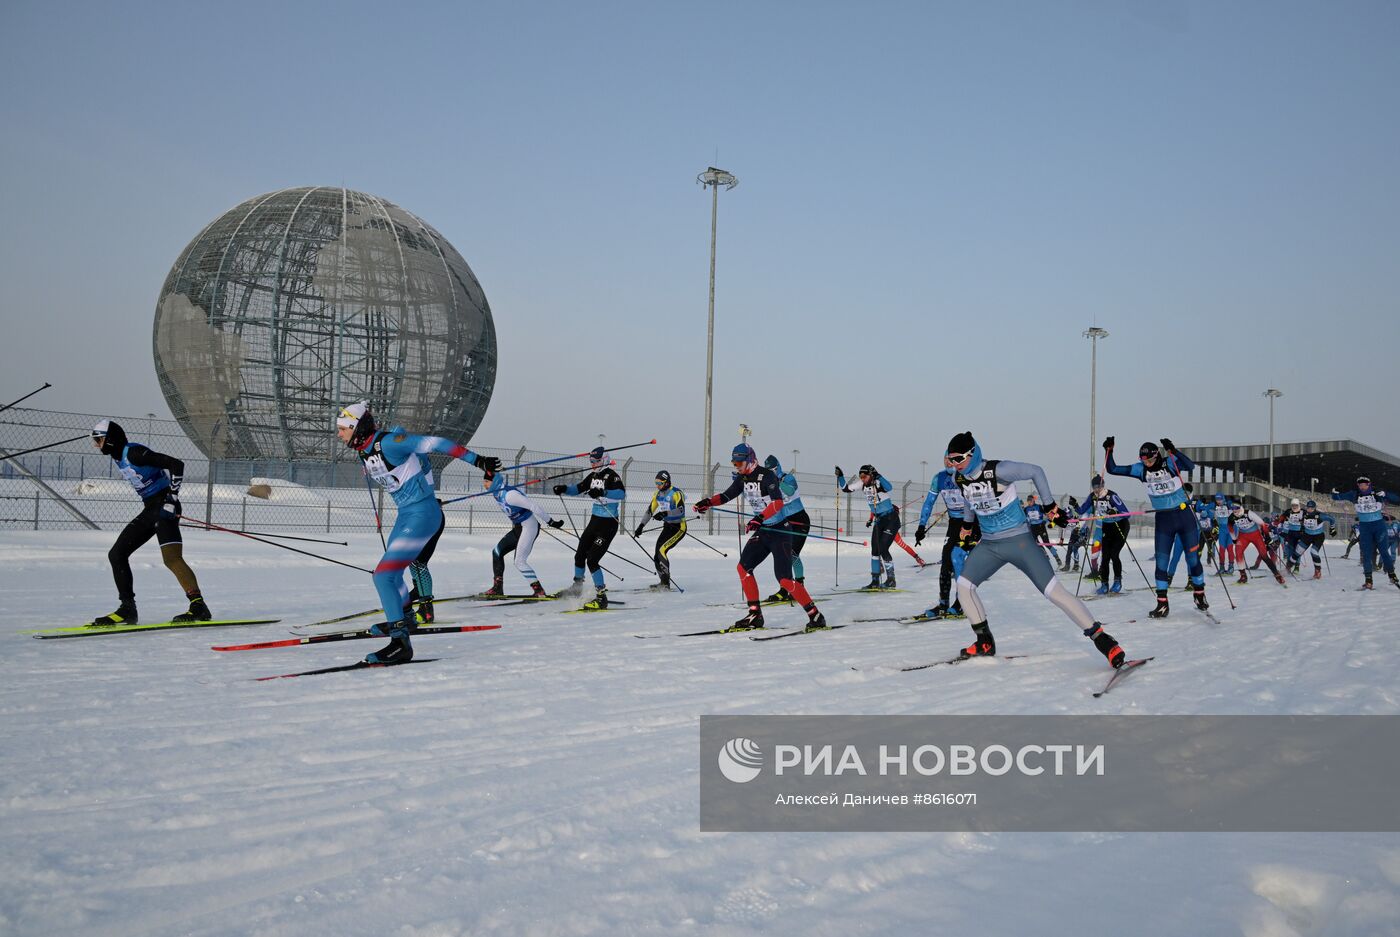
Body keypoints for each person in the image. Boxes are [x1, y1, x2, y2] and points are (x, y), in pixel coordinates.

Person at [943, 431, 1126, 668]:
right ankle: (984, 641)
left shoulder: (999, 470)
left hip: (1019, 542)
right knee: (964, 587)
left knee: (1053, 592)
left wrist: (1050, 506)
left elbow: (1035, 471)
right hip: (989, 545)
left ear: (973, 454)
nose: (955, 465)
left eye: (959, 459)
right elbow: (969, 499)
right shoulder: (961, 479)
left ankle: (1104, 641)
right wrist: (967, 526)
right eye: (951, 460)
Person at [336, 401, 500, 663]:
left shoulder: (389, 442)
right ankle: (405, 620)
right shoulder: (363, 449)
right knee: (394, 575)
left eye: (343, 428)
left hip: (423, 514)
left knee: (383, 576)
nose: (339, 434)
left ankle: (400, 644)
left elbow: (437, 443)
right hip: (405, 515)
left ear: (357, 427)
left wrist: (477, 460)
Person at [693, 444, 827, 631]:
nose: (736, 467)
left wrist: (759, 517)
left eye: (739, 462)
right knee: (743, 567)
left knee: (785, 580)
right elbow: (726, 495)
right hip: (764, 530)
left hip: (780, 531)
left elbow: (778, 503)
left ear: (750, 459)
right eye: (734, 463)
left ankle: (816, 615)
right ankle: (755, 614)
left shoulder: (767, 476)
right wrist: (708, 502)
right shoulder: (743, 478)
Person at [89, 419, 210, 625]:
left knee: (171, 559)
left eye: (99, 440)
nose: (96, 445)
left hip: (165, 508)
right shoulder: (118, 457)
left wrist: (172, 498)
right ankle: (127, 609)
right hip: (150, 510)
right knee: (117, 554)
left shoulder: (134, 453)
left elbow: (176, 464)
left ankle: (198, 606)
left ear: (110, 440)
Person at [1104, 436, 1208, 618]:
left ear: (1157, 455)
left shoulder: (1170, 463)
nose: (1148, 464)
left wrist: (1174, 451)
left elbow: (1190, 466)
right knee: (1161, 563)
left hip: (1184, 516)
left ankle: (1199, 594)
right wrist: (1109, 450)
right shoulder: (1140, 469)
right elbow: (1112, 469)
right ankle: (1162, 604)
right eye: (1144, 461)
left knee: (1192, 560)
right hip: (1164, 520)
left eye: (1151, 460)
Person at [554, 447, 625, 608]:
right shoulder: (593, 476)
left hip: (608, 523)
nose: (593, 464)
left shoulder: (612, 476)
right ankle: (577, 588)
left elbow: (621, 494)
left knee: (592, 559)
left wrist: (603, 492)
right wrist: (564, 489)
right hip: (595, 521)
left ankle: (601, 597)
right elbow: (578, 488)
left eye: (596, 461)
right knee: (579, 555)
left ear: (605, 459)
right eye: (591, 461)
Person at [483, 469, 564, 598]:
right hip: (518, 528)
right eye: (484, 481)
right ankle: (497, 588)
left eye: (487, 481)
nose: (484, 484)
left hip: (529, 527)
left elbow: (534, 506)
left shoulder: (510, 495)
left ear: (495, 482)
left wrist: (551, 521)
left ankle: (539, 591)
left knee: (519, 561)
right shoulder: (497, 493)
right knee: (497, 552)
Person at [916, 455, 979, 619]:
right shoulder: (939, 478)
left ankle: (962, 603)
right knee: (946, 562)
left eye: (952, 459)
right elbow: (929, 502)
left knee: (957, 559)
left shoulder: (967, 475)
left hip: (971, 523)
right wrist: (921, 526)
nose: (948, 461)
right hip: (954, 524)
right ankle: (943, 603)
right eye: (946, 458)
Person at [1330, 477, 1400, 589]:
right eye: (1360, 484)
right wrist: (1334, 492)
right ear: (1358, 485)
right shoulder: (1354, 494)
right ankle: (1368, 580)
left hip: (1379, 526)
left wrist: (1386, 494)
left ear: (1369, 484)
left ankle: (1392, 575)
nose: (1362, 486)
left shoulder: (1377, 493)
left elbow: (1397, 498)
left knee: (1384, 551)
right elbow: (1336, 497)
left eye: (1365, 484)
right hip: (1365, 527)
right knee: (1366, 553)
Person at [838, 463, 899, 589]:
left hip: (891, 519)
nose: (862, 479)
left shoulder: (878, 482)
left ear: (871, 475)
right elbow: (845, 488)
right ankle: (875, 581)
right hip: (879, 520)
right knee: (874, 551)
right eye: (861, 476)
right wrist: (840, 476)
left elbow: (889, 487)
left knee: (883, 548)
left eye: (864, 476)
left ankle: (891, 580)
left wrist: (879, 476)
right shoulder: (862, 484)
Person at [761, 455, 810, 602]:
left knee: (792, 554)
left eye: (774, 469)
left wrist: (777, 481)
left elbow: (789, 491)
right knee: (783, 555)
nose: (773, 472)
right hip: (785, 522)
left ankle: (799, 587)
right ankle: (785, 590)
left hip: (800, 519)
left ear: (778, 467)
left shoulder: (787, 478)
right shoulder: (769, 483)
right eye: (769, 471)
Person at [635, 469, 686, 590]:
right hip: (667, 527)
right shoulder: (657, 494)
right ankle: (662, 581)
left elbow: (681, 511)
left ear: (667, 482)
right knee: (656, 555)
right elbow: (650, 511)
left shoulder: (676, 493)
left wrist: (664, 514)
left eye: (660, 483)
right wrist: (641, 526)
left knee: (662, 551)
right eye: (656, 483)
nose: (658, 486)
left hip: (678, 527)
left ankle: (666, 584)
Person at [1078, 474, 1130, 594]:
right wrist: (1075, 504)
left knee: (1114, 554)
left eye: (1099, 486)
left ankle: (1117, 581)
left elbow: (1127, 513)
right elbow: (1082, 510)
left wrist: (1114, 511)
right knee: (1105, 557)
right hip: (1107, 526)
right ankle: (1104, 584)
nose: (1096, 489)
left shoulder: (1111, 496)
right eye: (1094, 487)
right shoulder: (1092, 497)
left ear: (1103, 485)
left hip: (1119, 526)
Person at [1228, 503, 1286, 585]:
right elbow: (1230, 527)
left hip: (1255, 535)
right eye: (1233, 509)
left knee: (1263, 555)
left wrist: (1267, 538)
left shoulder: (1249, 513)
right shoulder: (1231, 517)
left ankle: (1277, 574)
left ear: (1240, 508)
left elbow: (1262, 524)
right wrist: (1234, 539)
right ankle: (1243, 576)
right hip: (1243, 536)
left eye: (1236, 508)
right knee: (1238, 552)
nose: (1235, 511)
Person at [1296, 500, 1337, 579]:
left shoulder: (1319, 515)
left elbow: (1332, 518)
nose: (1310, 509)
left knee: (1313, 552)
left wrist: (1332, 529)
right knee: (1298, 551)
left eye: (1312, 508)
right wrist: (1301, 529)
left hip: (1318, 536)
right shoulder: (1304, 514)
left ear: (1314, 508)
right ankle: (1289, 568)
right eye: (1308, 507)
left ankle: (1318, 572)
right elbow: (1301, 522)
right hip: (1307, 536)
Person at [1023, 494, 1061, 565]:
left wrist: (1046, 521)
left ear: (1033, 500)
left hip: (1041, 527)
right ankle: (1045, 555)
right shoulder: (1026, 509)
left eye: (1030, 501)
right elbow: (1024, 518)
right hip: (1033, 528)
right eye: (1028, 501)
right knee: (1035, 543)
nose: (1029, 503)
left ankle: (1057, 558)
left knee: (1047, 543)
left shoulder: (1039, 507)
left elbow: (1048, 515)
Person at [1211, 494, 1236, 573]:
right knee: (1221, 549)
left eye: (1220, 499)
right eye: (1217, 500)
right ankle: (1221, 567)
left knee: (1229, 548)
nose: (1218, 501)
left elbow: (1237, 513)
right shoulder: (1215, 507)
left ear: (1223, 499)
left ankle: (1231, 567)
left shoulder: (1229, 505)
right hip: (1222, 530)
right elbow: (1214, 519)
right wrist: (1214, 528)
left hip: (1230, 530)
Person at [1279, 498, 1305, 574]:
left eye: (1296, 505)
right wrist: (1279, 523)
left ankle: (1297, 567)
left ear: (1298, 505)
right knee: (1289, 549)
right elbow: (1281, 518)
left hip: (1300, 533)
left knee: (1298, 550)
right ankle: (1289, 565)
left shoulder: (1303, 512)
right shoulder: (1288, 511)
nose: (1294, 507)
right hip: (1291, 533)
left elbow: (1309, 517)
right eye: (1293, 505)